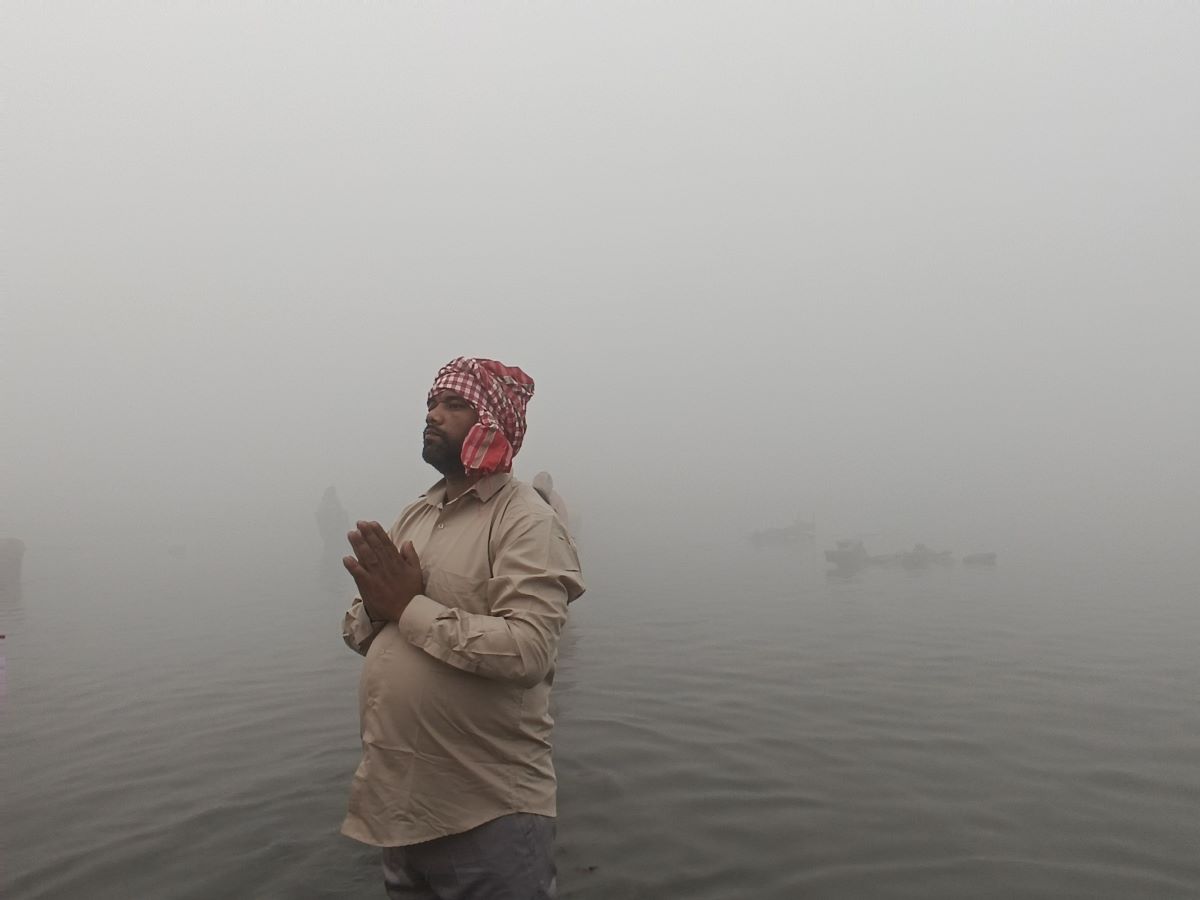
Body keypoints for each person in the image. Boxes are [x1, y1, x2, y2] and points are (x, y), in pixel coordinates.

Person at [340, 356, 585, 900]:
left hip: (488, 811)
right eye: (431, 403)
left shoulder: (524, 519)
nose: (433, 414)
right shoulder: (415, 516)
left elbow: (529, 650)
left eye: (454, 405)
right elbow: (357, 632)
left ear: (491, 423)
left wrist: (408, 608)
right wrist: (379, 608)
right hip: (401, 809)